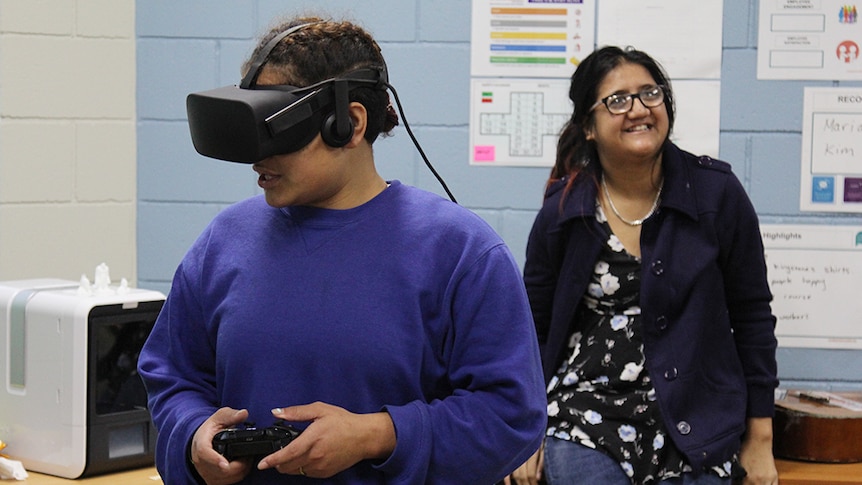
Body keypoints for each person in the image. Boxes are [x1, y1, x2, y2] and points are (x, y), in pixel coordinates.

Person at [138, 16, 546, 485]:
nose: (257, 158)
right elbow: (173, 378)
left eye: (275, 134)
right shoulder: (223, 241)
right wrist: (192, 437)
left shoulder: (462, 253)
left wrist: (379, 434)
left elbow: (510, 415)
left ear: (349, 124)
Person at [509, 46, 779, 485]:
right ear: (588, 127)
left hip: (699, 416)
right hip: (587, 414)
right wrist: (523, 432)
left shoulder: (716, 195)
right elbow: (532, 329)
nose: (638, 109)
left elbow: (752, 316)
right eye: (617, 100)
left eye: (650, 94)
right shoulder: (564, 211)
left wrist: (760, 437)